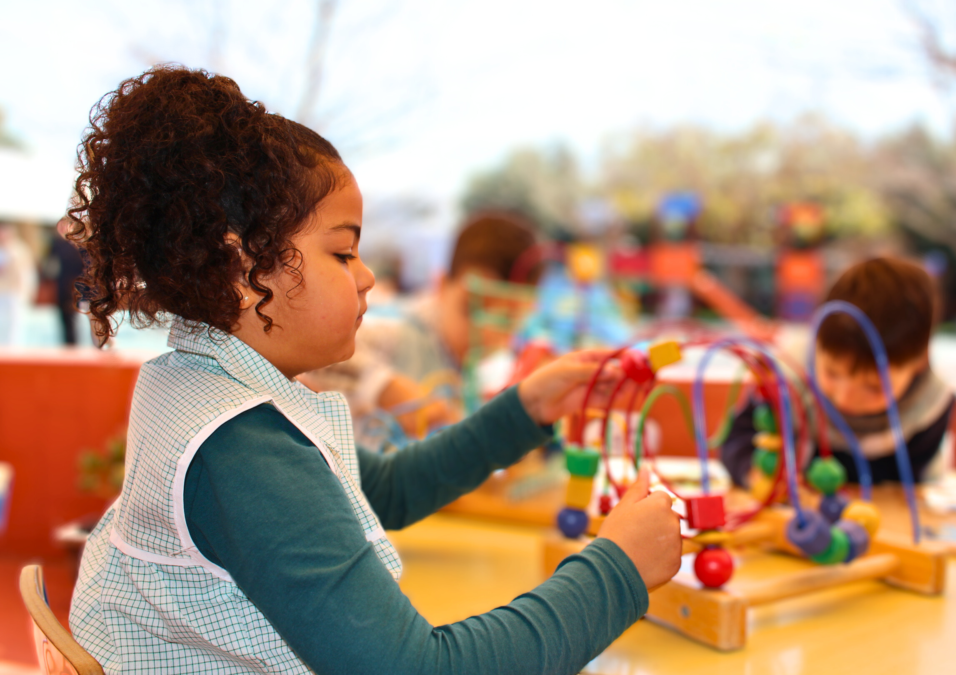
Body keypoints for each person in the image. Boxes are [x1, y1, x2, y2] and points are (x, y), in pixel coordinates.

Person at [67, 65, 682, 675]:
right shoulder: (242, 450)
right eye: (342, 251)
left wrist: (524, 410)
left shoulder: (196, 378)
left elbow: (381, 490)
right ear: (243, 268)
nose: (367, 277)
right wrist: (616, 571)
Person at [722, 257, 956, 486]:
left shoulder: (930, 405)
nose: (845, 398)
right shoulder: (786, 379)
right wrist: (755, 474)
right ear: (817, 342)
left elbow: (908, 483)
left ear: (919, 363)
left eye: (873, 387)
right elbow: (737, 441)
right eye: (832, 373)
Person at [302, 210, 540, 432]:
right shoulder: (397, 330)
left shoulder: (481, 369)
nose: (486, 332)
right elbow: (314, 347)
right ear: (441, 285)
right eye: (470, 309)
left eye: (506, 320)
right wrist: (384, 388)